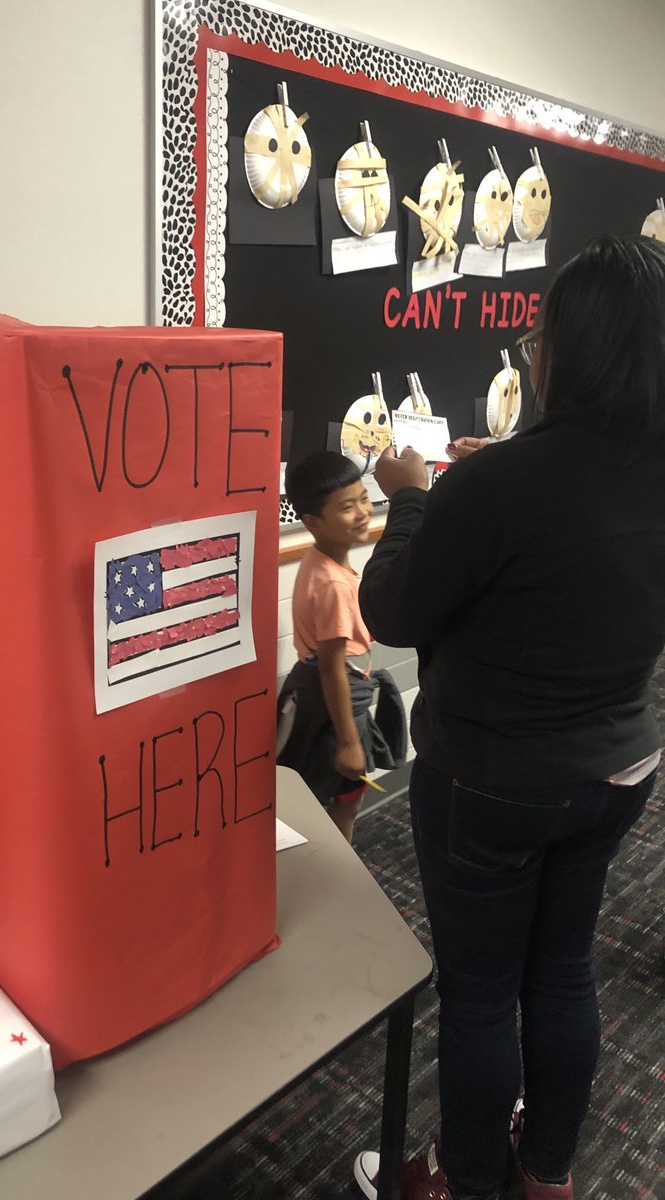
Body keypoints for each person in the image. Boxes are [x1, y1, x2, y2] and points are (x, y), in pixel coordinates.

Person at [352, 235, 665, 1200]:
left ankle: (463, 1176)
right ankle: (549, 1172)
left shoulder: (495, 486)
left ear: (563, 350)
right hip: (619, 769)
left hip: (491, 781)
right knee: (563, 969)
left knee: (482, 994)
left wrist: (412, 500)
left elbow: (393, 609)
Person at [277, 452, 405, 841]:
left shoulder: (319, 563)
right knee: (344, 799)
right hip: (337, 699)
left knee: (330, 793)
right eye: (348, 507)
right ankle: (335, 869)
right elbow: (334, 667)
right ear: (313, 521)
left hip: (323, 689)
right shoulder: (333, 584)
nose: (364, 512)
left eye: (364, 498)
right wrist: (350, 742)